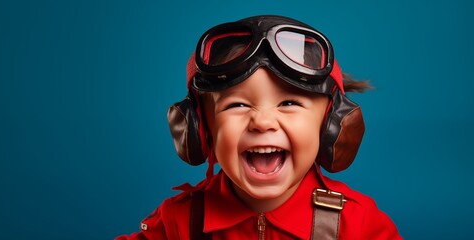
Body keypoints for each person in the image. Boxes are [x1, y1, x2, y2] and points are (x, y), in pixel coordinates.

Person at [116, 15, 402, 239]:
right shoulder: (179, 221)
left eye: (289, 103)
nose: (262, 122)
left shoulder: (358, 222)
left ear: (331, 126)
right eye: (236, 105)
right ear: (201, 131)